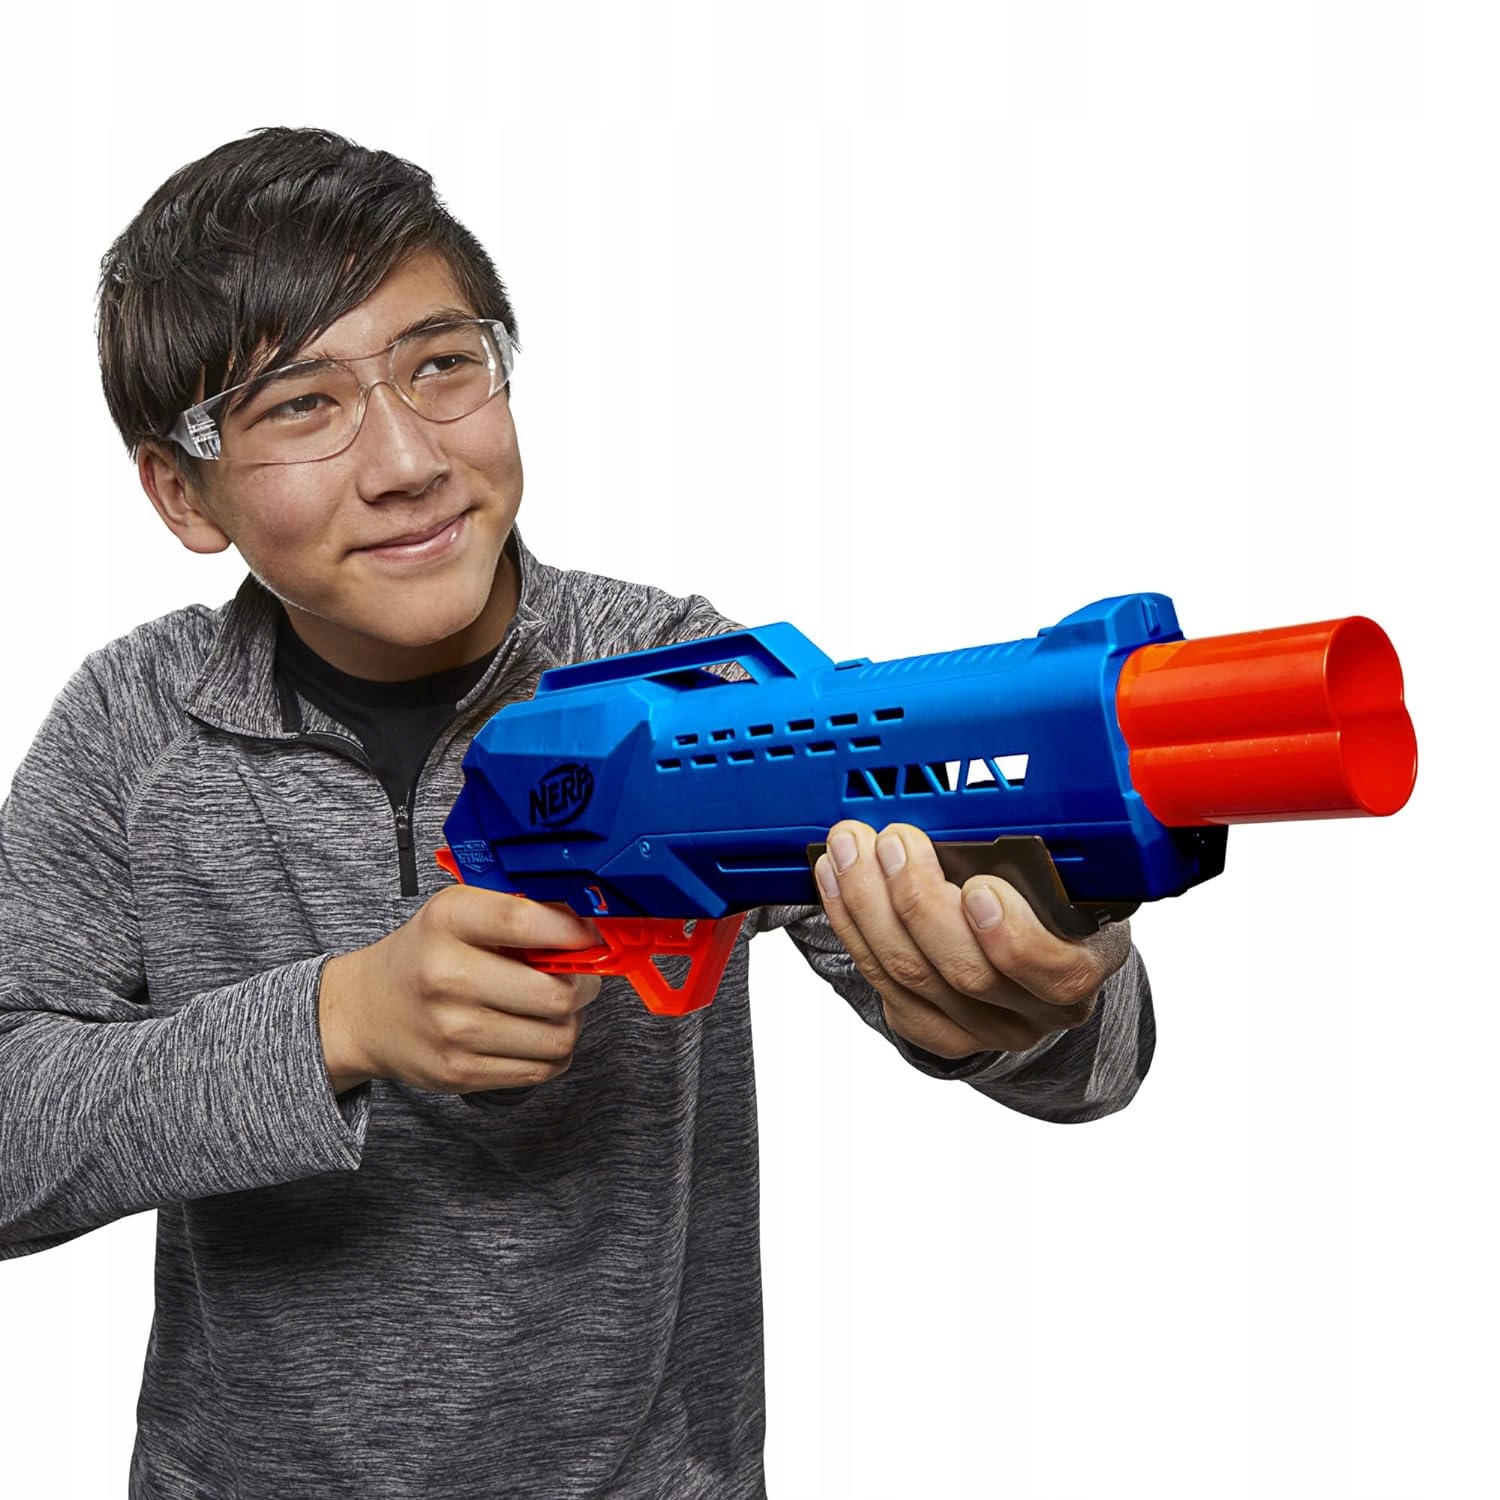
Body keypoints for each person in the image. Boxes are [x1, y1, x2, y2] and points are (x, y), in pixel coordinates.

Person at [0, 126, 1151, 1498]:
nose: (407, 459)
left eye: (443, 364)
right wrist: (341, 1021)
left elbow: (1090, 1062)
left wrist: (1037, 982)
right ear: (181, 493)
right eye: (301, 405)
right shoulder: (133, 725)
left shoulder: (687, 678)